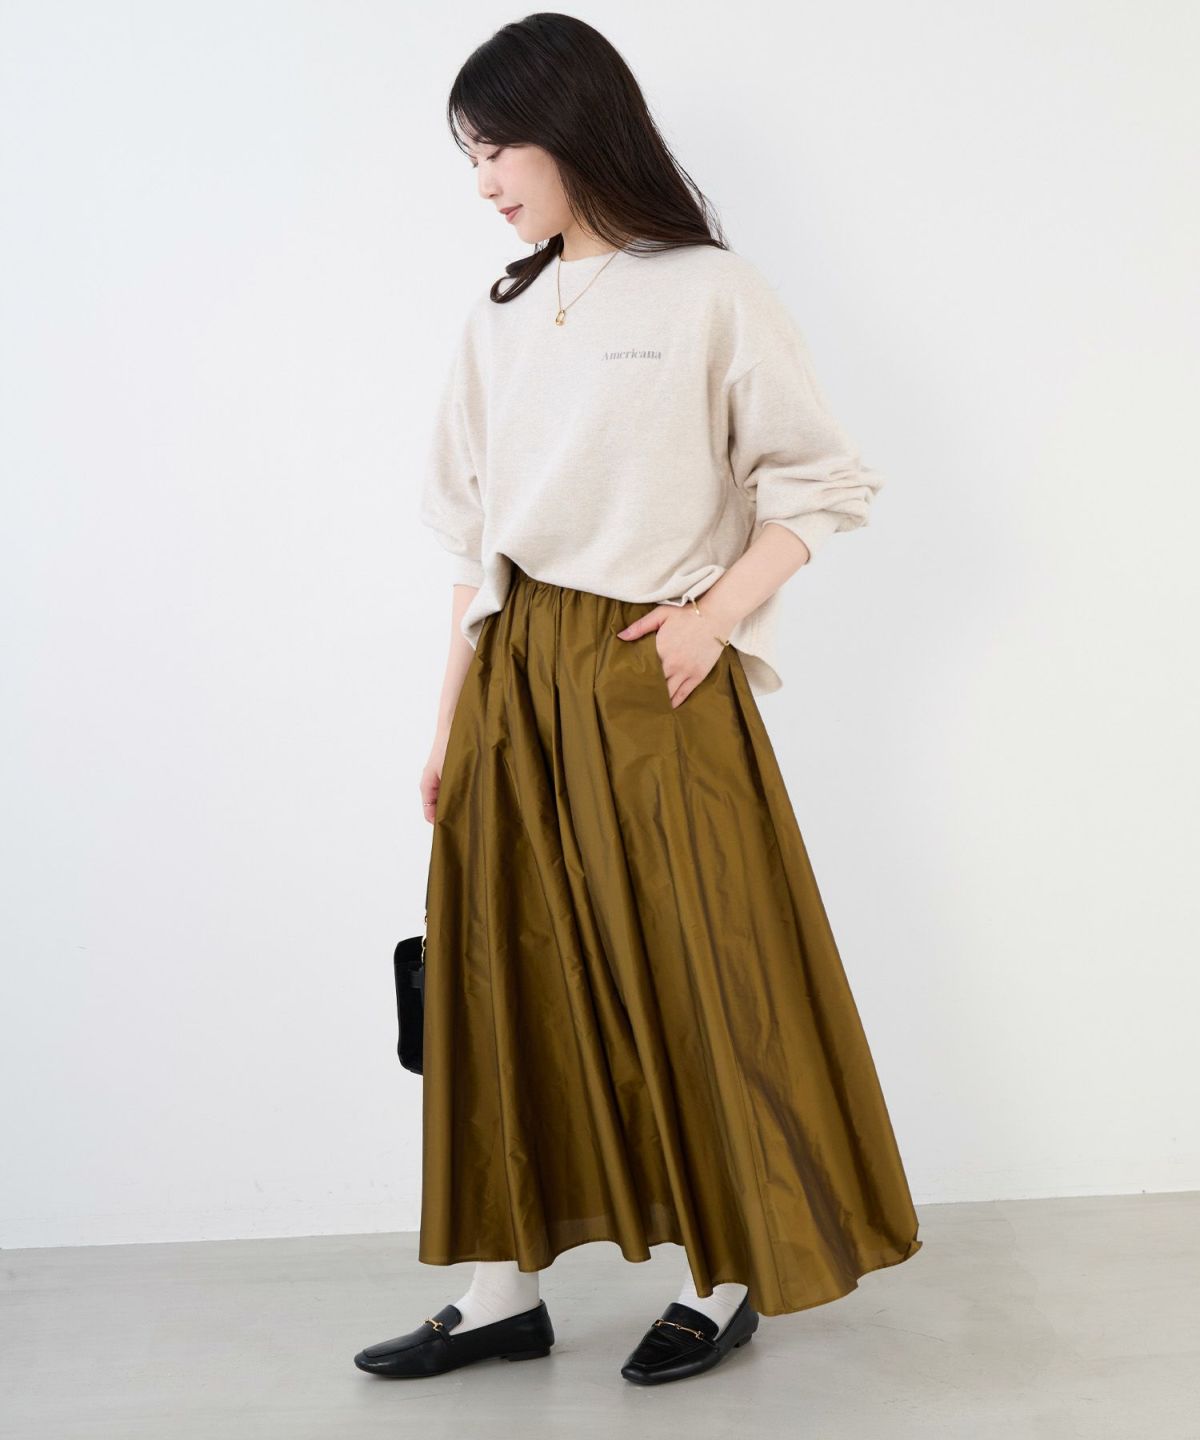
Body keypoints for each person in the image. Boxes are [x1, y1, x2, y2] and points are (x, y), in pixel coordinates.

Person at [354, 12, 922, 1387]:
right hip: (515, 670)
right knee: (502, 971)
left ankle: (721, 1276)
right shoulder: (500, 316)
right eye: (470, 154)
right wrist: (448, 721)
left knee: (693, 965)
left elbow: (822, 482)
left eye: (500, 147)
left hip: (646, 670)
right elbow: (471, 543)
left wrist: (715, 619)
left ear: (575, 127)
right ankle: (502, 1289)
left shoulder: (710, 291)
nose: (484, 179)